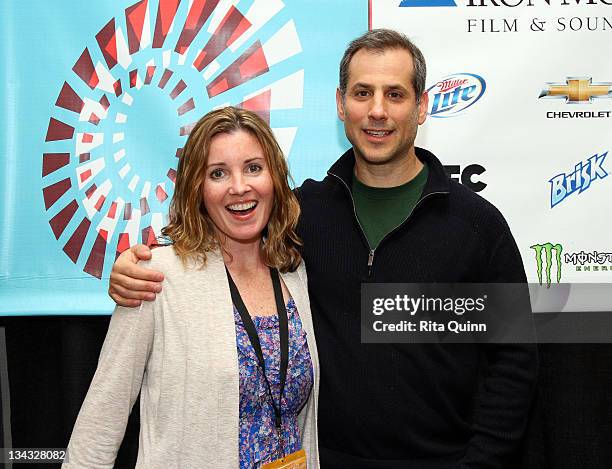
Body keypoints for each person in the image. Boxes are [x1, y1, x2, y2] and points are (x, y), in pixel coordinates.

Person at [108, 29, 537, 468]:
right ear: (339, 104)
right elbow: (219, 233)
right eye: (362, 93)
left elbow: (513, 362)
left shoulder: (478, 227)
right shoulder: (300, 213)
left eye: (395, 95)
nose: (377, 111)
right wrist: (135, 264)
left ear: (422, 106)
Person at [65, 107, 320, 468]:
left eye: (253, 168)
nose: (239, 187)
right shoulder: (155, 277)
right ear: (196, 189)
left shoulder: (295, 274)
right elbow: (100, 422)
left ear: (275, 178)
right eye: (218, 173)